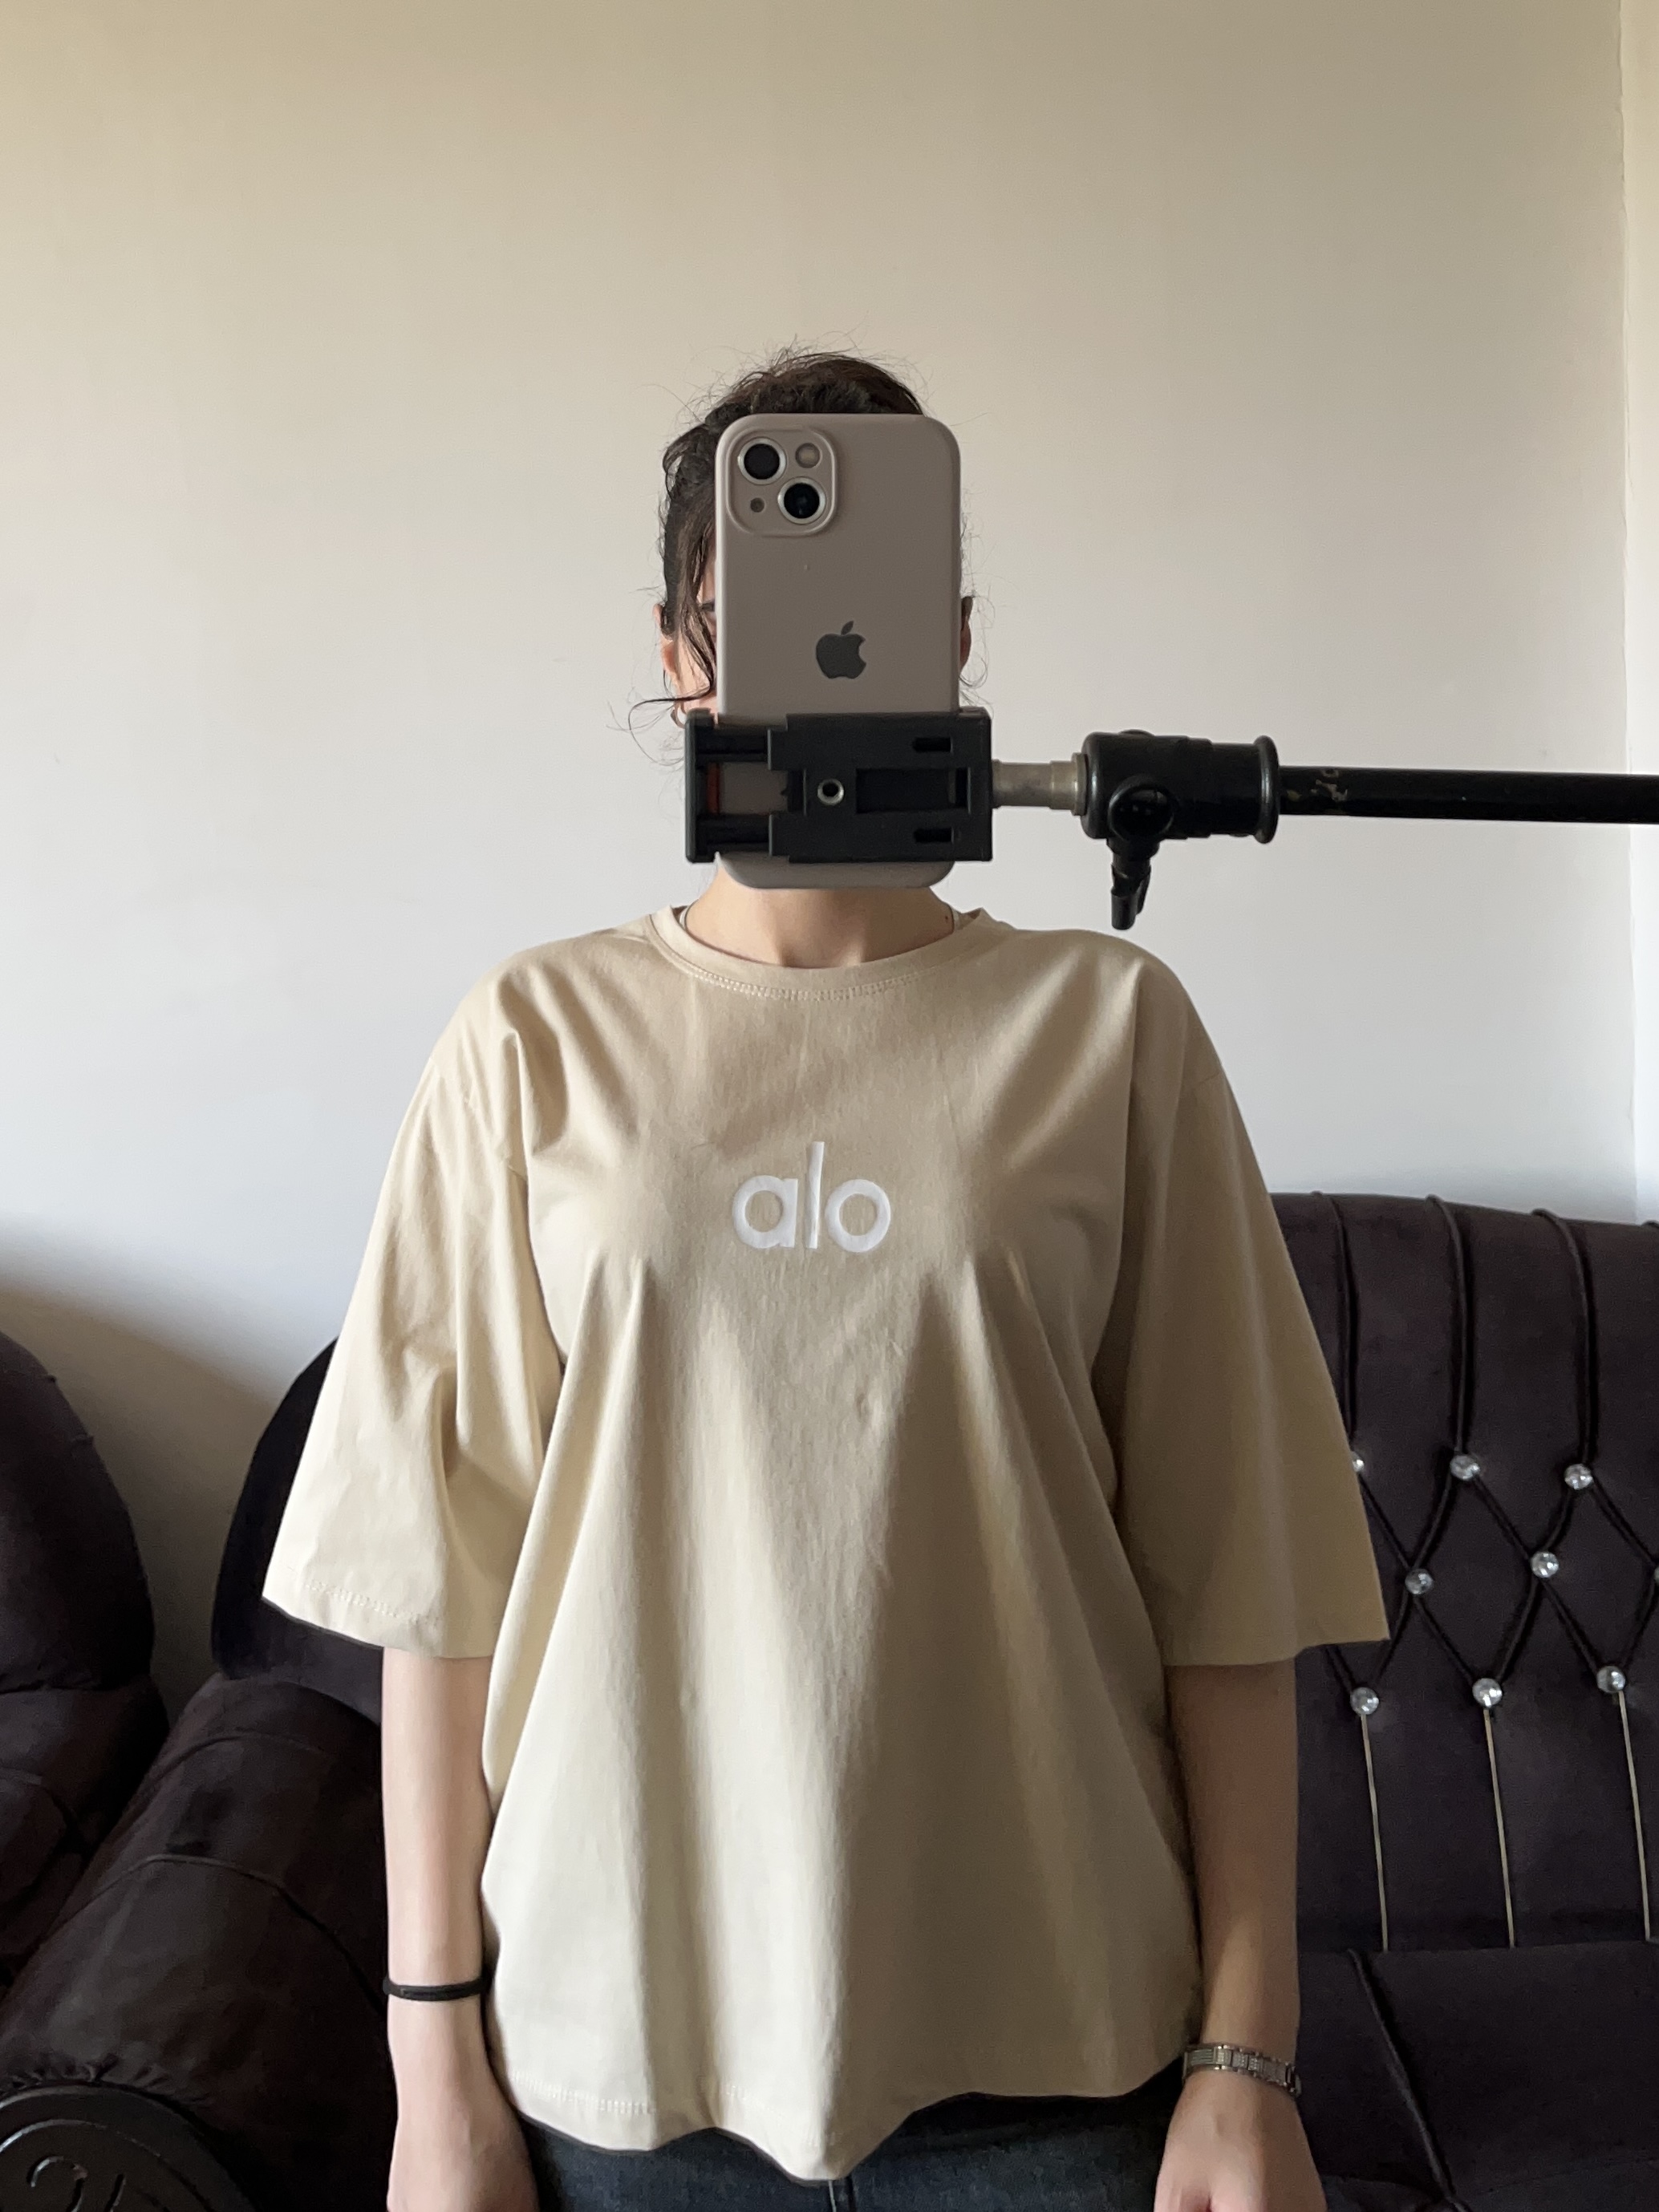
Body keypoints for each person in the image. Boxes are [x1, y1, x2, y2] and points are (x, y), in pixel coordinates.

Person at [265, 350, 1387, 2212]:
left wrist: (1245, 2058)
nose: (830, 645)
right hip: (619, 2068)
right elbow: (435, 1591)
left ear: (953, 635)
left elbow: (1228, 1580)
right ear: (678, 650)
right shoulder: (530, 1043)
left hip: (1055, 2062)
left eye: (880, 597)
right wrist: (430, 2067)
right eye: (762, 602)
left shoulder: (1106, 1033)